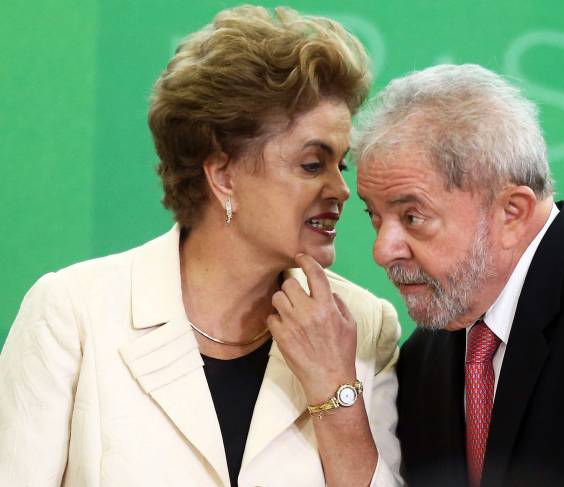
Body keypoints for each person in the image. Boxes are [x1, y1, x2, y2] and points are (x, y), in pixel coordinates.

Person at [0, 6, 402, 487]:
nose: (340, 189)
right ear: (223, 175)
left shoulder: (364, 324)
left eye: (343, 165)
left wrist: (337, 391)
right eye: (313, 164)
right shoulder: (74, 313)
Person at [353, 63, 564, 487]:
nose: (382, 249)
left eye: (413, 216)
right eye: (374, 216)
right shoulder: (426, 355)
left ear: (512, 212)